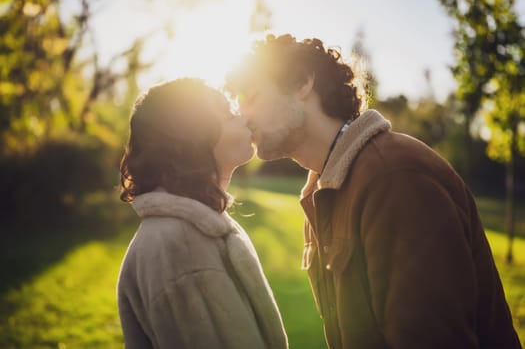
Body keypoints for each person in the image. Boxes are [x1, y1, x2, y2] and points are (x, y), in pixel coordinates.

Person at [225, 34, 521, 349]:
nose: (243, 115)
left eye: (252, 96)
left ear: (301, 82)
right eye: (237, 104)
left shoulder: (395, 178)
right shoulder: (323, 191)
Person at [117, 78, 288, 349]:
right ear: (193, 135)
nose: (244, 118)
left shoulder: (194, 228)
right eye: (230, 114)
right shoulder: (180, 247)